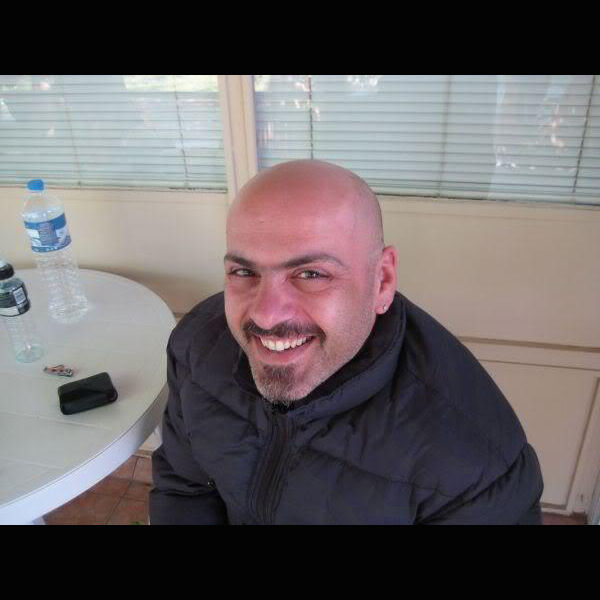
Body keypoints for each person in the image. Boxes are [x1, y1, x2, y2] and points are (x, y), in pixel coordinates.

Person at [149, 159, 544, 525]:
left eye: (311, 274)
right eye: (243, 271)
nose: (266, 316)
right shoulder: (197, 345)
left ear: (382, 280)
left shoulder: (476, 463)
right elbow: (185, 487)